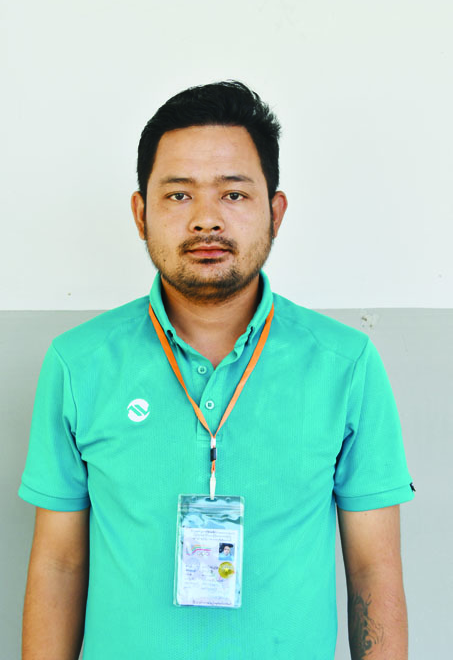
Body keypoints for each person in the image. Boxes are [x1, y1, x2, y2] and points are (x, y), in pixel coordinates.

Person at [19, 80, 414, 660]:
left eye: (233, 194)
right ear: (141, 213)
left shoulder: (346, 365)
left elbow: (373, 570)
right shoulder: (77, 364)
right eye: (179, 195)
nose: (206, 220)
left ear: (275, 212)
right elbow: (59, 563)